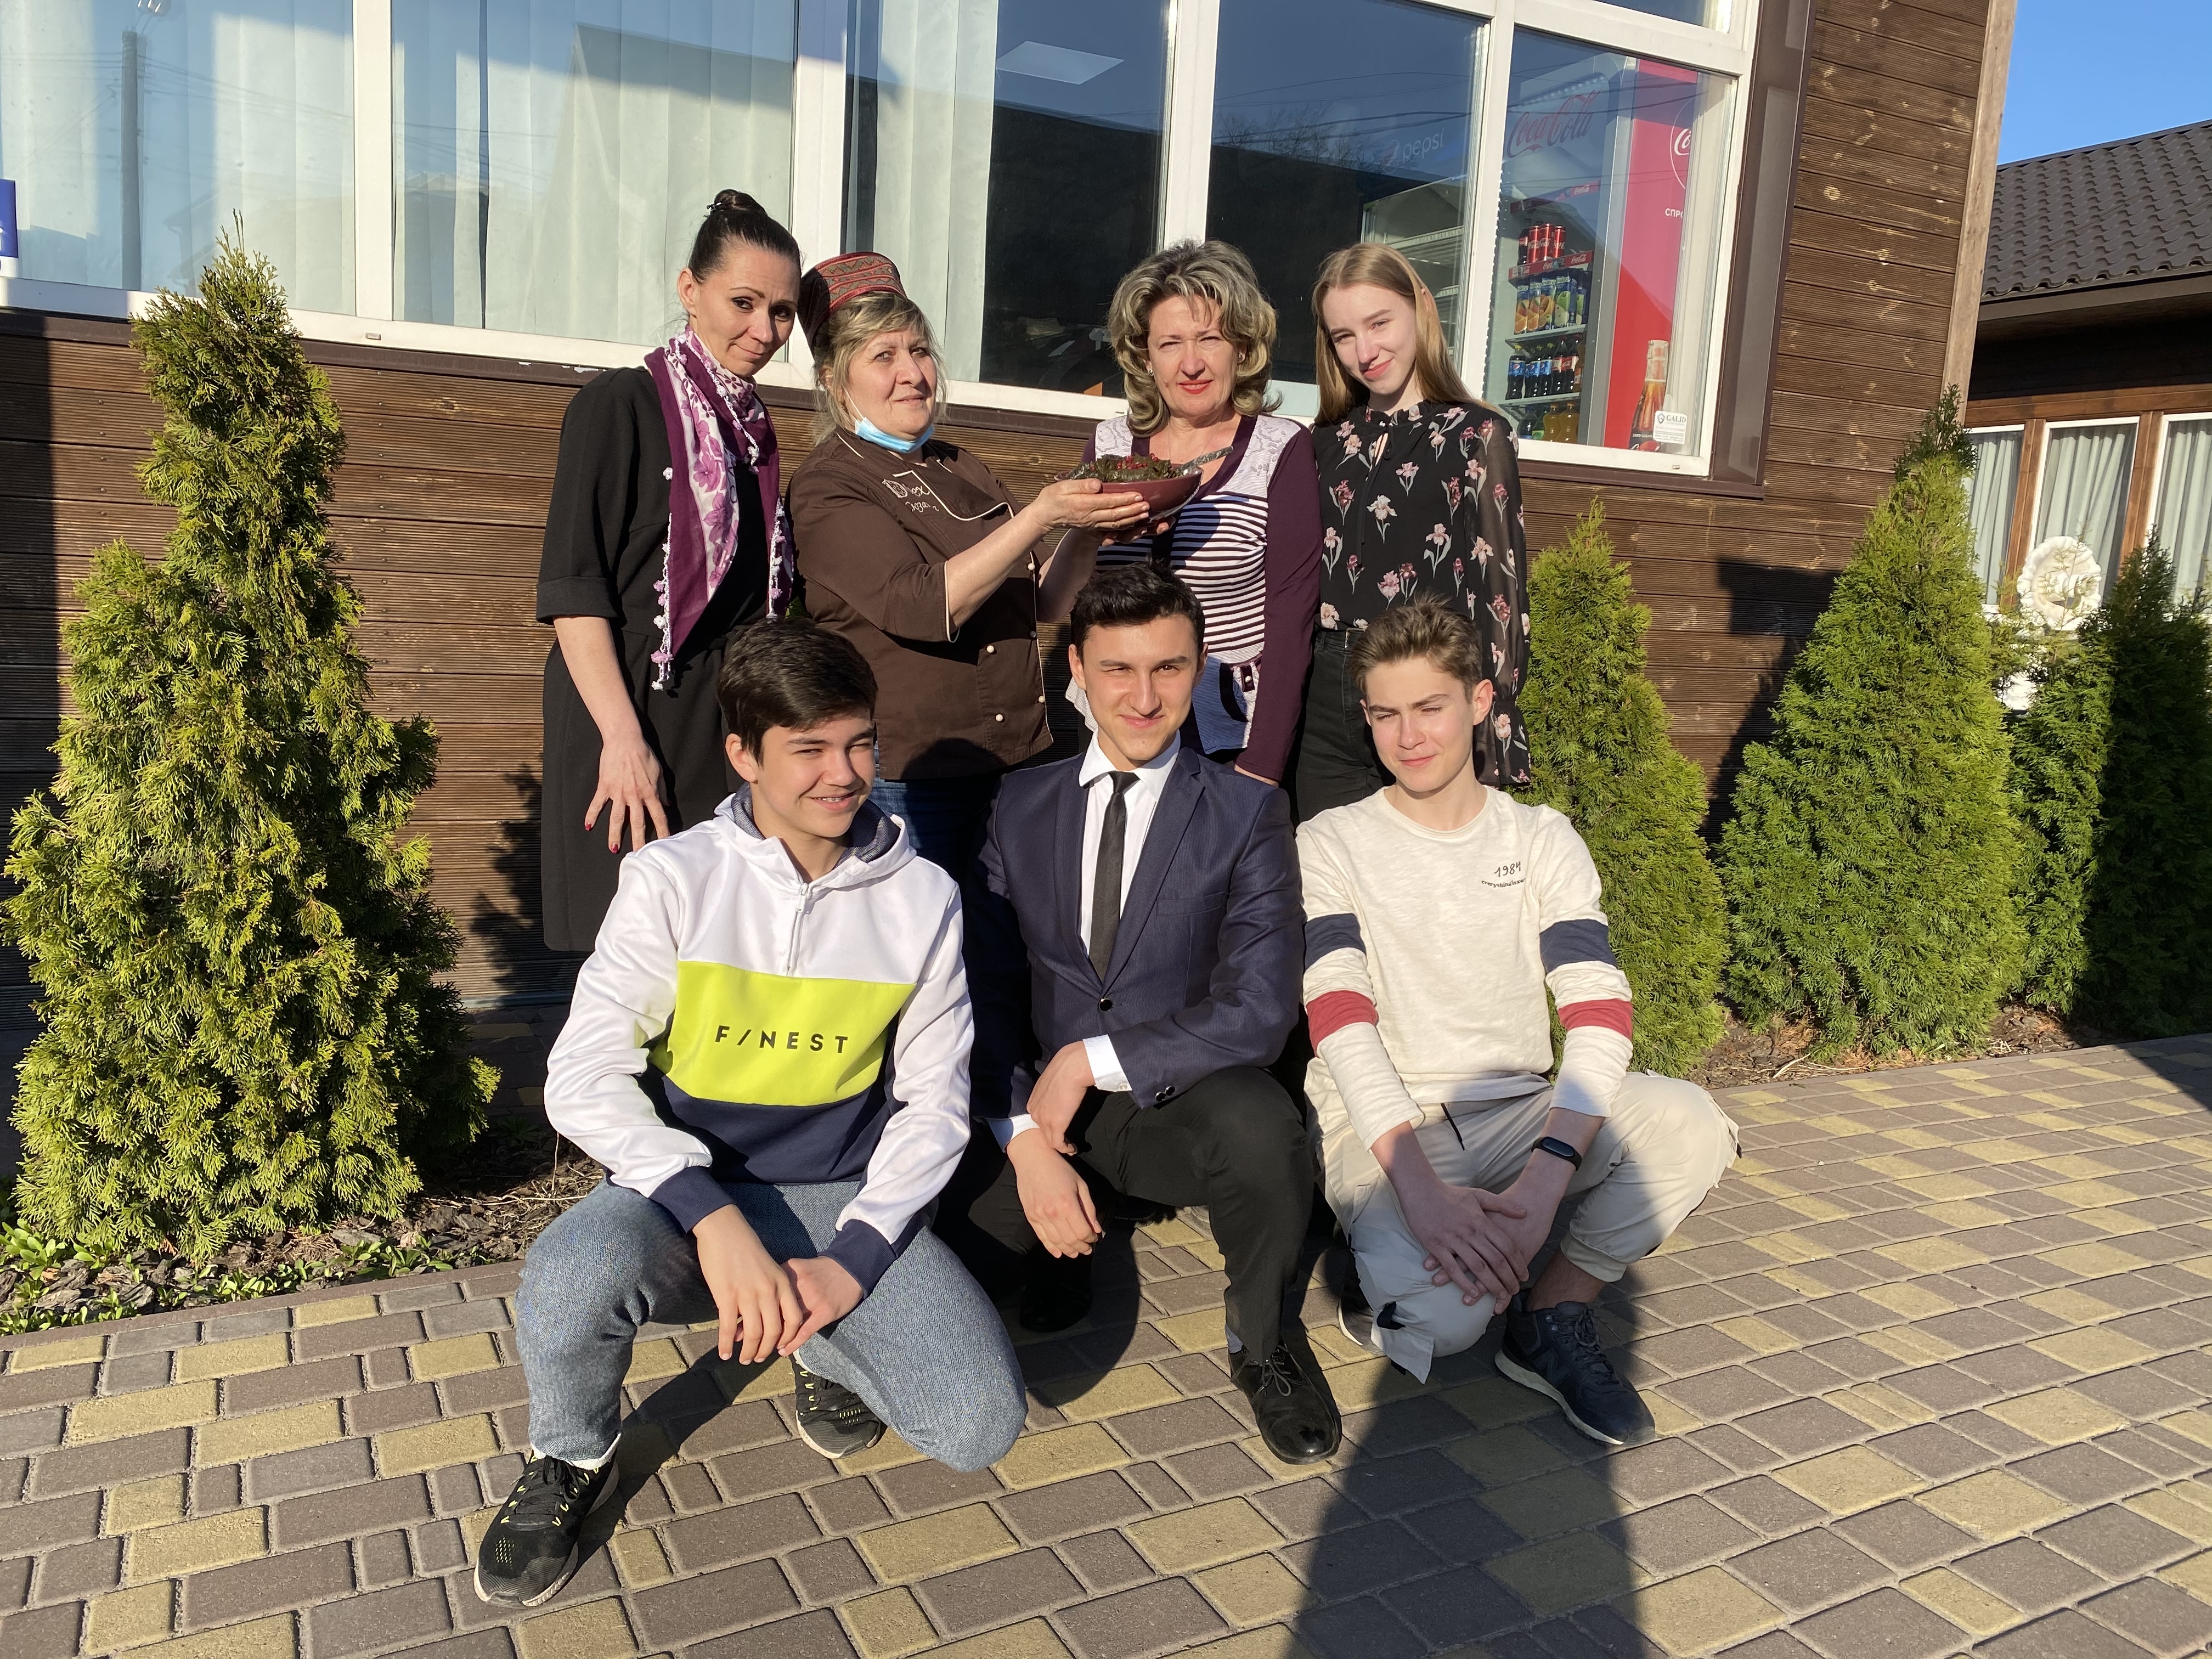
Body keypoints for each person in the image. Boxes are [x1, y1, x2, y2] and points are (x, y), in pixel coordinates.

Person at [478, 619, 1028, 1608]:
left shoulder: (924, 897)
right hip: (684, 1201)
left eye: (859, 743)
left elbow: (936, 1104)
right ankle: (571, 1453)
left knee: (976, 1424)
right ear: (742, 754)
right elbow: (583, 1074)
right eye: (809, 748)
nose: (843, 774)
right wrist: (712, 1215)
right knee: (572, 1272)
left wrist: (854, 1259)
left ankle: (815, 1336)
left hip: (833, 1196)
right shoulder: (671, 878)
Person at [1299, 597, 1736, 1446]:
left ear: (1479, 701)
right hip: (1390, 1128)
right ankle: (1378, 1277)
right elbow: (1339, 1016)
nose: (1408, 737)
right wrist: (1421, 1195)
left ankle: (1551, 1315)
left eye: (1430, 708)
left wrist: (1541, 1193)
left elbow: (1599, 1007)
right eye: (1386, 714)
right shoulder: (1329, 841)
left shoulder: (1541, 837)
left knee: (1690, 1122)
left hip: (1514, 1107)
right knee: (1444, 1326)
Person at [939, 564, 1342, 1466]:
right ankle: (1061, 1249)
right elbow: (981, 988)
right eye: (1118, 669)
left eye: (1168, 667)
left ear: (1198, 668)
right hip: (1042, 1108)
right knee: (954, 1273)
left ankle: (1264, 1343)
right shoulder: (1018, 803)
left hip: (1179, 1096)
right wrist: (1023, 1141)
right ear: (1078, 669)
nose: (1144, 696)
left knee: (1265, 1130)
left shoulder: (1247, 811)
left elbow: (1259, 1007)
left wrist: (1090, 1057)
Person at [787, 252, 1150, 888]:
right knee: (916, 939)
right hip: (915, 777)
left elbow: (1044, 600)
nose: (913, 373)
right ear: (832, 378)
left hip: (1015, 761)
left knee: (1003, 940)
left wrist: (1086, 532)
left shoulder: (961, 465)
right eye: (883, 356)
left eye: (919, 351)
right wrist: (1041, 515)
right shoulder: (829, 483)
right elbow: (919, 605)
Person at [537, 190, 803, 952]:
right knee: (627, 955)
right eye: (743, 302)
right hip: (626, 711)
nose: (764, 331)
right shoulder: (620, 404)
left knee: (712, 952)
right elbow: (575, 588)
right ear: (690, 290)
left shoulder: (752, 435)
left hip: (718, 724)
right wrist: (622, 739)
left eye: (782, 312)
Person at [1068, 240, 1323, 785]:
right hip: (1119, 725)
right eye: (1170, 344)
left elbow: (1291, 621)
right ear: (1145, 357)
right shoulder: (1111, 445)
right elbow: (1077, 594)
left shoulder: (1280, 449)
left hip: (1230, 733)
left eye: (1210, 339)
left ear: (1242, 348)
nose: (1191, 364)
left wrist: (1262, 767)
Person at [1294, 242, 1532, 821]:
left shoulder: (1477, 435)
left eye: (1379, 323)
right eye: (1344, 336)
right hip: (1324, 694)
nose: (1365, 352)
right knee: (1325, 862)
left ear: (1421, 306)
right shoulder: (1322, 442)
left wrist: (1491, 718)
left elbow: (1500, 591)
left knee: (1423, 866)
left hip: (1424, 688)